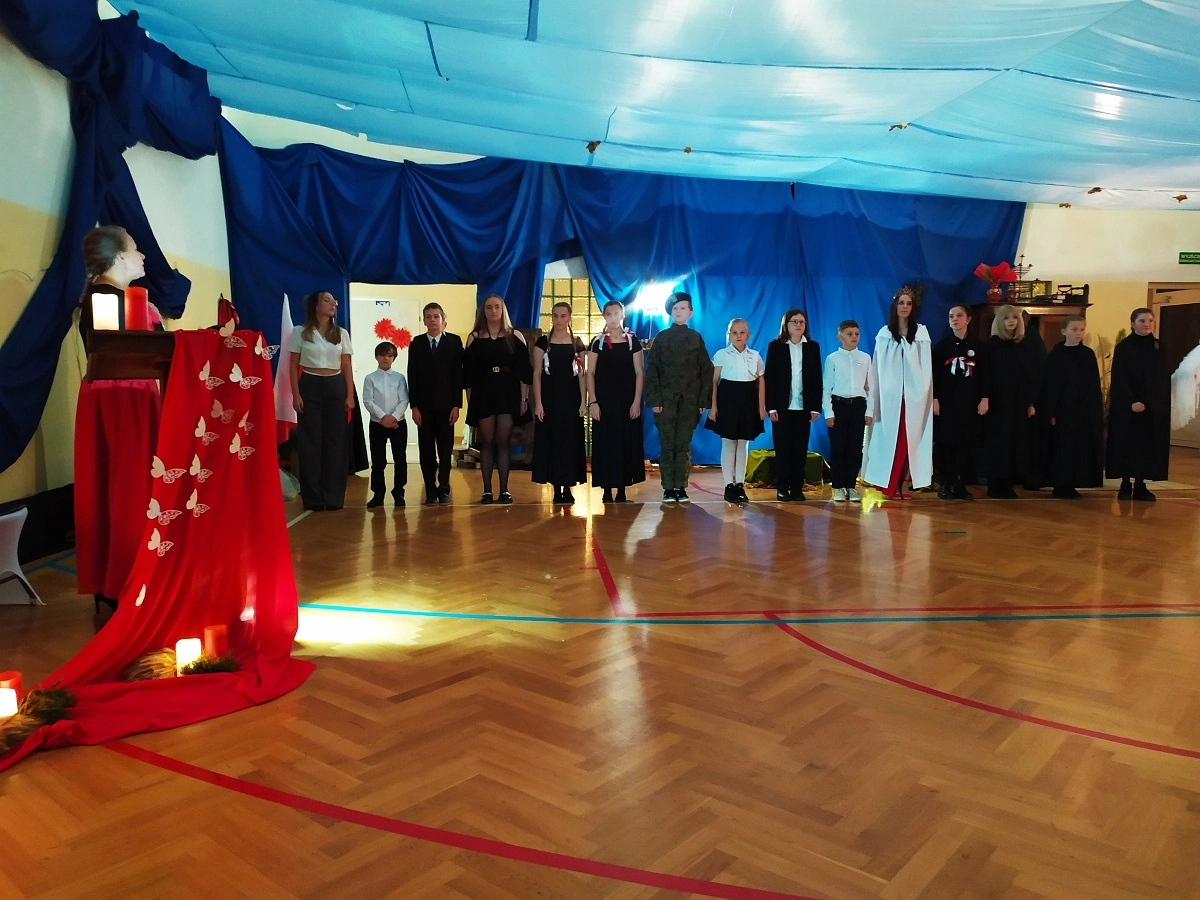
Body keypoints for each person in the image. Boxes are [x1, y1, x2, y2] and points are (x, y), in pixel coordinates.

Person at [74, 225, 158, 617]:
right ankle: (122, 579)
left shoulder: (126, 298)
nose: (143, 256)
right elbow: (115, 352)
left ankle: (130, 575)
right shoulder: (104, 299)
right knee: (125, 487)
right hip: (119, 398)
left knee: (133, 486)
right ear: (120, 256)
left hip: (133, 395)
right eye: (137, 249)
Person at [863, 285, 933, 499]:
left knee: (908, 440)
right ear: (895, 306)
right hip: (890, 398)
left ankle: (902, 484)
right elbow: (878, 367)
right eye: (901, 303)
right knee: (890, 440)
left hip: (914, 397)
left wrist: (921, 391)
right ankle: (890, 484)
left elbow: (925, 367)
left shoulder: (920, 333)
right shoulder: (885, 334)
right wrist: (877, 395)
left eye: (909, 303)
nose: (905, 307)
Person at [289, 290, 355, 512]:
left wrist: (349, 395)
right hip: (310, 385)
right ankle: (314, 499)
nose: (332, 304)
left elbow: (346, 366)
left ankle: (334, 497)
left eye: (334, 301)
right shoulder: (300, 332)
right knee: (311, 443)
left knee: (335, 443)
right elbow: (293, 365)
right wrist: (296, 394)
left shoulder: (341, 333)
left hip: (335, 386)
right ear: (316, 306)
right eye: (326, 300)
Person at [463, 293, 532, 504]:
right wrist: (470, 402)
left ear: (503, 310)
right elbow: (468, 375)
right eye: (489, 307)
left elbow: (524, 372)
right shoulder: (474, 338)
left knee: (503, 442)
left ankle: (504, 490)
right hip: (483, 394)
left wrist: (524, 399)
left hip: (508, 393)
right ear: (483, 311)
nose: (493, 311)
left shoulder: (515, 336)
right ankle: (486, 491)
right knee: (486, 442)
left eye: (497, 307)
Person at [645, 292, 713, 503]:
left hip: (689, 402)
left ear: (690, 313)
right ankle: (668, 488)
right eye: (675, 308)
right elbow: (652, 370)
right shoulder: (662, 337)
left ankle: (680, 487)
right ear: (670, 312)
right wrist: (655, 400)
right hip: (665, 402)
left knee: (683, 444)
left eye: (683, 308)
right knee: (667, 444)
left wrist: (703, 400)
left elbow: (706, 370)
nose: (678, 311)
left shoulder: (695, 338)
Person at [1107, 307, 1171, 501]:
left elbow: (1162, 378)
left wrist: (1155, 403)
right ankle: (1125, 484)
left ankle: (1141, 484)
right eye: (1142, 321)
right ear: (1133, 323)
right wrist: (1131, 402)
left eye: (1150, 320)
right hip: (1130, 406)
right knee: (1128, 444)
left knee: (1146, 446)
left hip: (1152, 407)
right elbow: (1120, 378)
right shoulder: (1124, 347)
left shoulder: (1159, 347)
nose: (1147, 324)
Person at [586, 300, 646, 503]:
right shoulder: (597, 342)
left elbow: (639, 372)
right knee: (606, 443)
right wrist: (593, 402)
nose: (613, 317)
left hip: (627, 402)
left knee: (625, 443)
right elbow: (590, 373)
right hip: (604, 403)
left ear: (622, 315)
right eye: (609, 314)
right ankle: (606, 488)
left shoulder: (632, 342)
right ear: (604, 317)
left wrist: (636, 402)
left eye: (616, 313)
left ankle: (621, 488)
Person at [1040, 316, 1103, 499]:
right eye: (1074, 329)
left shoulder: (1088, 355)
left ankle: (1074, 482)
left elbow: (1093, 385)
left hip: (1082, 410)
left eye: (1081, 330)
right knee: (1062, 448)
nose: (1078, 333)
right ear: (1064, 331)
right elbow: (1049, 386)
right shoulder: (1055, 356)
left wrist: (1094, 411)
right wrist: (1051, 412)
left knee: (1079, 447)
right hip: (1062, 411)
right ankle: (1060, 484)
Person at [531, 301, 587, 504]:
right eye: (555, 315)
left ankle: (569, 486)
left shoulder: (577, 343)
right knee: (552, 441)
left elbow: (582, 375)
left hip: (571, 400)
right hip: (550, 399)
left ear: (569, 317)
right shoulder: (542, 343)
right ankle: (556, 487)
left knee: (569, 442)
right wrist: (538, 403)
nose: (559, 320)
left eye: (563, 316)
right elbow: (537, 374)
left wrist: (583, 402)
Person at [704, 318, 766, 503]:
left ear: (748, 335)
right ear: (729, 335)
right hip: (727, 400)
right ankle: (728, 486)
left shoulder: (755, 356)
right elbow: (714, 381)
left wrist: (761, 407)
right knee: (729, 443)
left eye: (742, 332)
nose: (738, 336)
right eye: (735, 332)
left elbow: (761, 381)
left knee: (743, 443)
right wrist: (713, 406)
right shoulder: (721, 354)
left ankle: (740, 484)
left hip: (748, 400)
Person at [407, 302, 463, 504]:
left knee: (445, 451)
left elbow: (458, 376)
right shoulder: (417, 343)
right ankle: (430, 489)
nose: (432, 320)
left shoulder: (454, 342)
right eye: (428, 317)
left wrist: (457, 405)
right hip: (424, 408)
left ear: (443, 320)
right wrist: (414, 406)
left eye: (436, 316)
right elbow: (412, 376)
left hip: (447, 407)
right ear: (424, 320)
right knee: (427, 452)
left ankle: (444, 488)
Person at [764, 308, 822, 502]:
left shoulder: (812, 347)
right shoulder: (776, 346)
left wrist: (815, 407)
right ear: (786, 324)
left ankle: (797, 488)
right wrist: (771, 407)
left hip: (804, 407)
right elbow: (770, 378)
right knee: (783, 449)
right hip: (781, 408)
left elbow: (817, 379)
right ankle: (782, 488)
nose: (798, 325)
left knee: (800, 449)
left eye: (801, 322)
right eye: (794, 321)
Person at [931, 305, 989, 500]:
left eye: (959, 315)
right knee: (946, 444)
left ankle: (960, 484)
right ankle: (945, 484)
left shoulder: (979, 346)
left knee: (967, 444)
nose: (954, 319)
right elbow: (934, 375)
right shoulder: (941, 347)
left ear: (968, 319)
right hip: (947, 404)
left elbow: (985, 375)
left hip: (970, 404)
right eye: (951, 316)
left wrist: (985, 398)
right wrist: (935, 398)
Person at [980, 304, 1037, 499]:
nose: (1011, 321)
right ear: (1000, 322)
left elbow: (1030, 376)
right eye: (1006, 318)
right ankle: (995, 483)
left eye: (1014, 318)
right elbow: (986, 375)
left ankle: (1008, 483)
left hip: (1018, 402)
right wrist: (985, 398)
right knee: (998, 442)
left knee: (1015, 441)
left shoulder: (1024, 346)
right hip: (997, 402)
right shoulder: (992, 346)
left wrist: (1030, 402)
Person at [822, 320, 874, 502]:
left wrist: (869, 411)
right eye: (849, 334)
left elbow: (870, 387)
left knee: (855, 447)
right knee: (838, 447)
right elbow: (826, 388)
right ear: (840, 336)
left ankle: (851, 485)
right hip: (839, 405)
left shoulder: (865, 358)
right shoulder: (833, 359)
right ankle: (838, 486)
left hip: (858, 406)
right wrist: (829, 413)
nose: (854, 337)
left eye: (856, 334)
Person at [363, 341, 409, 508]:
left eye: (389, 355)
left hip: (398, 423)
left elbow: (404, 400)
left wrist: (393, 417)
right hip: (377, 424)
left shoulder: (399, 377)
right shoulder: (370, 378)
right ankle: (378, 494)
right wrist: (384, 417)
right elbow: (368, 401)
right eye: (382, 355)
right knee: (378, 461)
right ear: (376, 357)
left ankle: (399, 492)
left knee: (400, 459)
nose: (386, 358)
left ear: (394, 358)